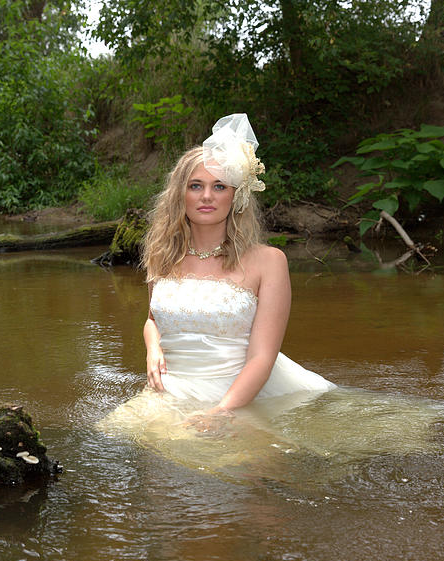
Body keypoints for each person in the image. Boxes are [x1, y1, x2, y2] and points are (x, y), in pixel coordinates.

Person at [140, 114, 335, 428]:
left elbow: (262, 357)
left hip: (239, 394)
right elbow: (152, 319)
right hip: (168, 389)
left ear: (235, 196)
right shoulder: (162, 256)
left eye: (219, 186)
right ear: (180, 195)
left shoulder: (269, 262)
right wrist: (152, 349)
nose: (206, 196)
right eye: (195, 186)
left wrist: (220, 413)